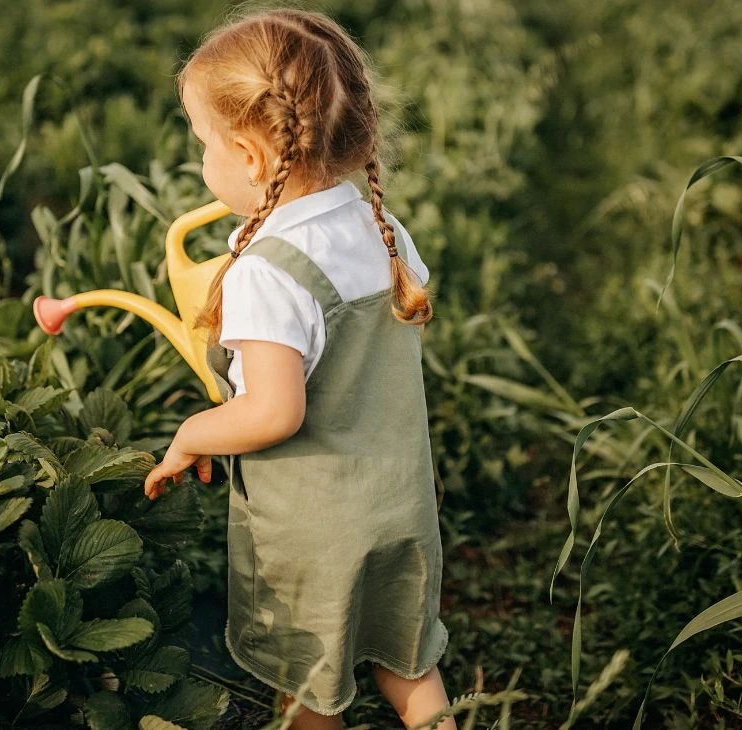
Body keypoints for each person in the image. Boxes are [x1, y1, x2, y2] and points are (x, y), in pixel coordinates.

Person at [142, 9, 454, 730]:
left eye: (203, 145)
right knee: (408, 661)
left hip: (317, 535)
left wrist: (192, 434)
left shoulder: (268, 273)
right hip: (401, 503)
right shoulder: (381, 227)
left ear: (252, 156)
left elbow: (273, 412)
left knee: (311, 687)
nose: (201, 164)